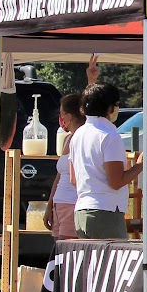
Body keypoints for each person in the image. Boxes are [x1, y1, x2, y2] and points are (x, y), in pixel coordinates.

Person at [68, 80, 147, 240]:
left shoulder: (78, 134)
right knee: (113, 264)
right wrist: (140, 165)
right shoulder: (109, 136)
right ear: (109, 107)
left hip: (82, 210)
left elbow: (73, 179)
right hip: (105, 212)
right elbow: (116, 181)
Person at [45, 92, 87, 242]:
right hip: (60, 204)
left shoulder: (83, 138)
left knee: (66, 253)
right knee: (58, 254)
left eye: (62, 114)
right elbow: (59, 175)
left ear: (69, 116)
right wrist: (50, 205)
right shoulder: (68, 138)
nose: (61, 119)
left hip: (72, 203)